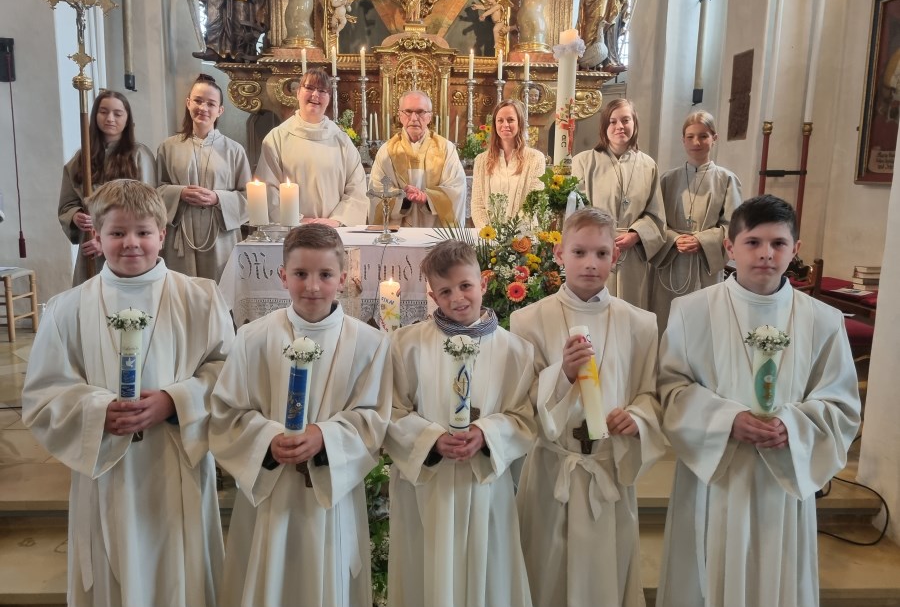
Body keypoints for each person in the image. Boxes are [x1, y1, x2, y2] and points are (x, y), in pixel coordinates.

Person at [22, 179, 233, 607]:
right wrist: (98, 410)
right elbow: (44, 394)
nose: (131, 243)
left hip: (176, 463)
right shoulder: (67, 308)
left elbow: (229, 374)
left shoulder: (200, 298)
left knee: (180, 571)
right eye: (117, 233)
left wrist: (176, 400)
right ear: (96, 237)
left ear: (163, 234)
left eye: (143, 232)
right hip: (106, 471)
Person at [655, 195, 861, 607]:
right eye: (753, 242)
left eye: (779, 244)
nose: (766, 253)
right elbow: (670, 390)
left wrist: (794, 425)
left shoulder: (823, 320)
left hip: (782, 481)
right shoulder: (690, 311)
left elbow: (841, 406)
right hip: (714, 476)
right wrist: (725, 419)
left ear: (795, 250)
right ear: (730, 247)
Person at [210, 224, 390, 607]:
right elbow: (226, 413)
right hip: (270, 494)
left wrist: (325, 436)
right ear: (282, 276)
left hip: (331, 495)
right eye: (300, 274)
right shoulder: (253, 338)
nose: (312, 286)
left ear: (343, 279)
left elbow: (374, 417)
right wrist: (267, 439)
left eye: (325, 275)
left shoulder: (370, 343)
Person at [510, 207, 664, 607]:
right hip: (551, 471)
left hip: (608, 469)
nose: (590, 264)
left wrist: (638, 418)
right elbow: (520, 405)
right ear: (559, 253)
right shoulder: (528, 320)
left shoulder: (641, 323)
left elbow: (651, 395)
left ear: (616, 256)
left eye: (600, 253)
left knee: (606, 575)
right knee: (546, 571)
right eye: (579, 252)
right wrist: (562, 375)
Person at [385, 239, 536, 607]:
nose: (458, 298)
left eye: (466, 286)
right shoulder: (407, 345)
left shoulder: (515, 351)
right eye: (445, 291)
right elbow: (391, 412)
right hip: (427, 487)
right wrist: (431, 439)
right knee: (428, 574)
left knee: (489, 575)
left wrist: (486, 433)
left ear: (483, 282)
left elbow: (524, 417)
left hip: (485, 486)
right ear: (432, 295)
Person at [650, 111, 742, 334]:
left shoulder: (726, 179)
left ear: (714, 138)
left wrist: (701, 240)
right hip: (671, 263)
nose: (696, 142)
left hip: (705, 265)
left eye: (703, 136)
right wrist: (674, 238)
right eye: (690, 137)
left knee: (702, 326)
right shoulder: (667, 179)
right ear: (683, 140)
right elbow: (655, 221)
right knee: (667, 323)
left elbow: (735, 227)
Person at [572, 98, 666, 309]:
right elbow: (575, 212)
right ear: (604, 126)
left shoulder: (648, 165)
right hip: (593, 253)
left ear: (635, 124)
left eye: (625, 120)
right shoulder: (584, 162)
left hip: (632, 257)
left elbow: (656, 215)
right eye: (612, 121)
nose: (619, 126)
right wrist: (601, 236)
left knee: (629, 316)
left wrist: (636, 235)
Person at [157, 73, 251, 281]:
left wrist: (218, 198)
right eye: (198, 101)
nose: (203, 108)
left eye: (211, 104)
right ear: (188, 102)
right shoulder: (169, 147)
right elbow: (155, 191)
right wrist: (179, 193)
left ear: (220, 110)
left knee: (220, 294)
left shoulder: (234, 150)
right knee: (183, 294)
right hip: (181, 234)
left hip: (220, 236)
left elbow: (249, 196)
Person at [58, 90, 157, 285]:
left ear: (127, 119)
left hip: (128, 247)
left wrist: (107, 241)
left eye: (117, 113)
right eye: (103, 112)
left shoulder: (139, 155)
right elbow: (66, 205)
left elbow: (147, 208)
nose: (110, 118)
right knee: (93, 303)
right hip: (91, 251)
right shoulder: (80, 160)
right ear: (95, 116)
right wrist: (76, 216)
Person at [256, 68, 368, 227]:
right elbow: (267, 188)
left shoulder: (341, 140)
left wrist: (337, 220)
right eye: (309, 88)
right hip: (292, 230)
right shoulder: (277, 138)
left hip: (333, 232)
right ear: (298, 92)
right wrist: (294, 219)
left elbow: (357, 188)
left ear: (329, 98)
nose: (315, 95)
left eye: (322, 90)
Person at [369, 90, 467, 227]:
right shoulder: (386, 151)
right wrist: (404, 200)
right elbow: (377, 189)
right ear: (400, 115)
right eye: (408, 111)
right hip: (398, 233)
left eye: (420, 112)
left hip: (435, 232)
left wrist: (427, 199)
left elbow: (456, 188)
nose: (414, 118)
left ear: (430, 116)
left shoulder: (446, 149)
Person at [470, 99, 545, 228]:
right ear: (494, 124)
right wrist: (489, 233)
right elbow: (477, 205)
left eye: (510, 120)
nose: (505, 124)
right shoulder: (481, 160)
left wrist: (512, 234)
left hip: (524, 238)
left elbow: (534, 202)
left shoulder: (535, 158)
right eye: (500, 120)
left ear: (519, 123)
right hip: (489, 238)